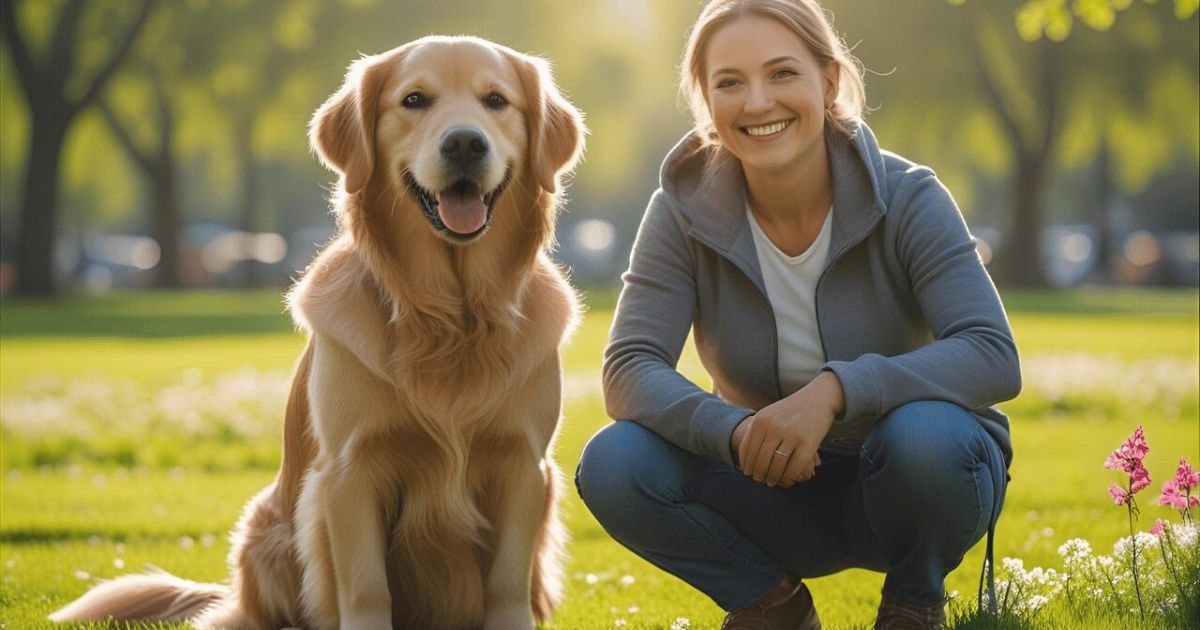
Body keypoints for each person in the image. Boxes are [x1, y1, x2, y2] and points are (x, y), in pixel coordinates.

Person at [574, 1, 1020, 628]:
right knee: (615, 462)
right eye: (729, 82)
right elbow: (629, 367)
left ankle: (915, 603)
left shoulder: (910, 195)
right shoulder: (681, 210)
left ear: (830, 82)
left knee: (925, 436)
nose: (757, 103)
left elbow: (992, 353)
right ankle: (771, 604)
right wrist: (734, 433)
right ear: (705, 99)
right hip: (767, 486)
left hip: (910, 482)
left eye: (782, 73)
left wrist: (836, 391)